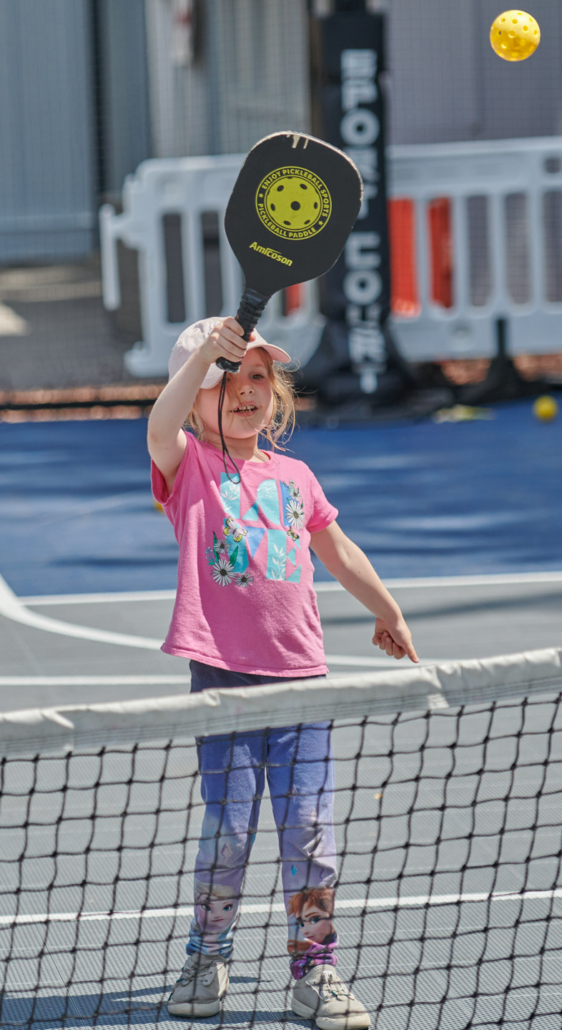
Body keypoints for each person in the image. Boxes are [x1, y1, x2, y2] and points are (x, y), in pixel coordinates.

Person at [148, 316, 418, 1029]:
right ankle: (208, 955)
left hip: (302, 681)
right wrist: (204, 356)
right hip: (223, 683)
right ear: (195, 396)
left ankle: (315, 968)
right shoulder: (188, 467)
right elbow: (159, 425)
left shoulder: (296, 476)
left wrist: (387, 608)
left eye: (258, 377)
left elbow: (339, 549)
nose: (245, 390)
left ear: (277, 391)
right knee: (229, 834)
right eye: (225, 379)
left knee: (309, 832)